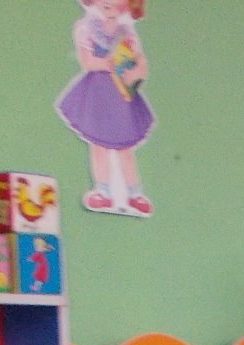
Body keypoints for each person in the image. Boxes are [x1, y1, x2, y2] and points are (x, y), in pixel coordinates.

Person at [56, 0, 154, 216]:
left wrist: (135, 72)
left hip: (121, 94)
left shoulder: (126, 33)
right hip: (98, 93)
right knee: (98, 144)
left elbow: (141, 63)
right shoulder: (87, 28)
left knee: (124, 147)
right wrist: (109, 63)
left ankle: (134, 192)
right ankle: (102, 190)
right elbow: (87, 61)